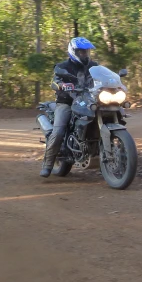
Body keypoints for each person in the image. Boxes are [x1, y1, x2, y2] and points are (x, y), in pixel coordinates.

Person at [40, 37, 98, 178]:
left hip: (87, 100)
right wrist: (61, 85)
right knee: (59, 131)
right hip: (66, 102)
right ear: (73, 52)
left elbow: (101, 77)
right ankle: (48, 164)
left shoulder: (93, 66)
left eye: (86, 52)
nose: (85, 54)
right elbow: (54, 82)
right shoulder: (62, 67)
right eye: (81, 52)